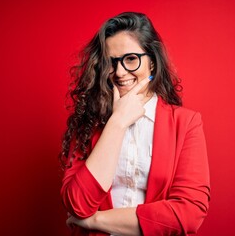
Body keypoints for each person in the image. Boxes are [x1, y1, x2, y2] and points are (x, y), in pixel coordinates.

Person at [60, 12, 210, 236]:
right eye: (111, 62)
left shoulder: (186, 123)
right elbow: (78, 205)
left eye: (131, 59)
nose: (119, 72)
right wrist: (117, 122)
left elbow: (189, 214)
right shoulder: (88, 123)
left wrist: (94, 221)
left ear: (152, 62)